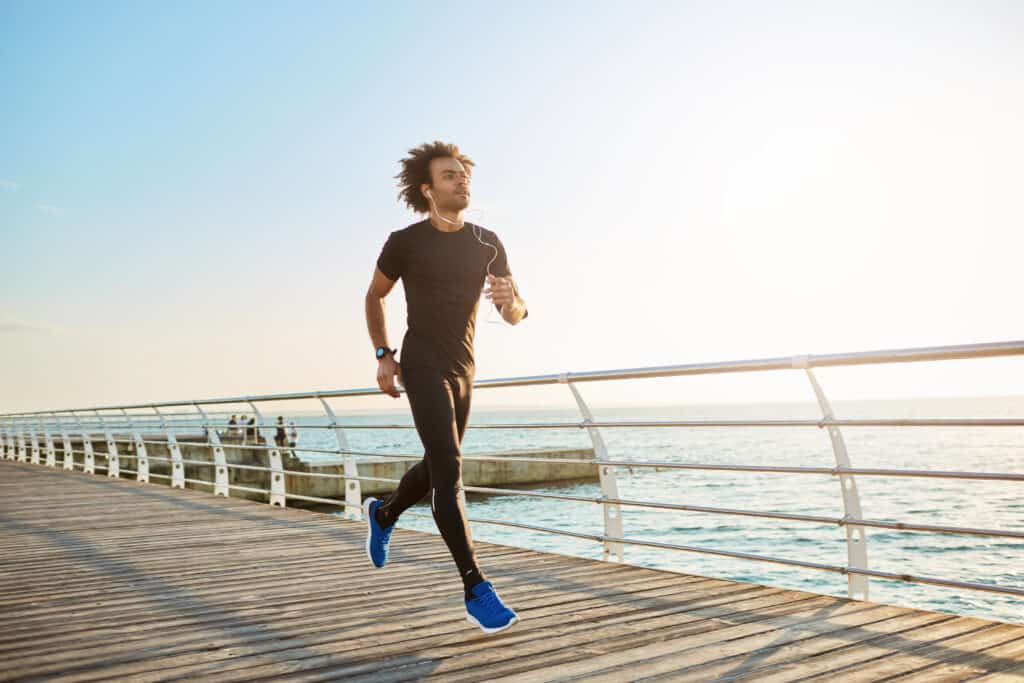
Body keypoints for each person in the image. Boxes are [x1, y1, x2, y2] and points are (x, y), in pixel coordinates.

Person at [363, 141, 528, 634]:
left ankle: (385, 512)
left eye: (464, 174)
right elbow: (374, 295)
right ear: (428, 189)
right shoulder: (405, 241)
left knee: (440, 462)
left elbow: (515, 313)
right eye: (450, 176)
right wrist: (383, 355)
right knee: (450, 470)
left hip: (464, 368)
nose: (462, 181)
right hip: (422, 364)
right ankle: (475, 586)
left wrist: (511, 299)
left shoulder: (488, 241)